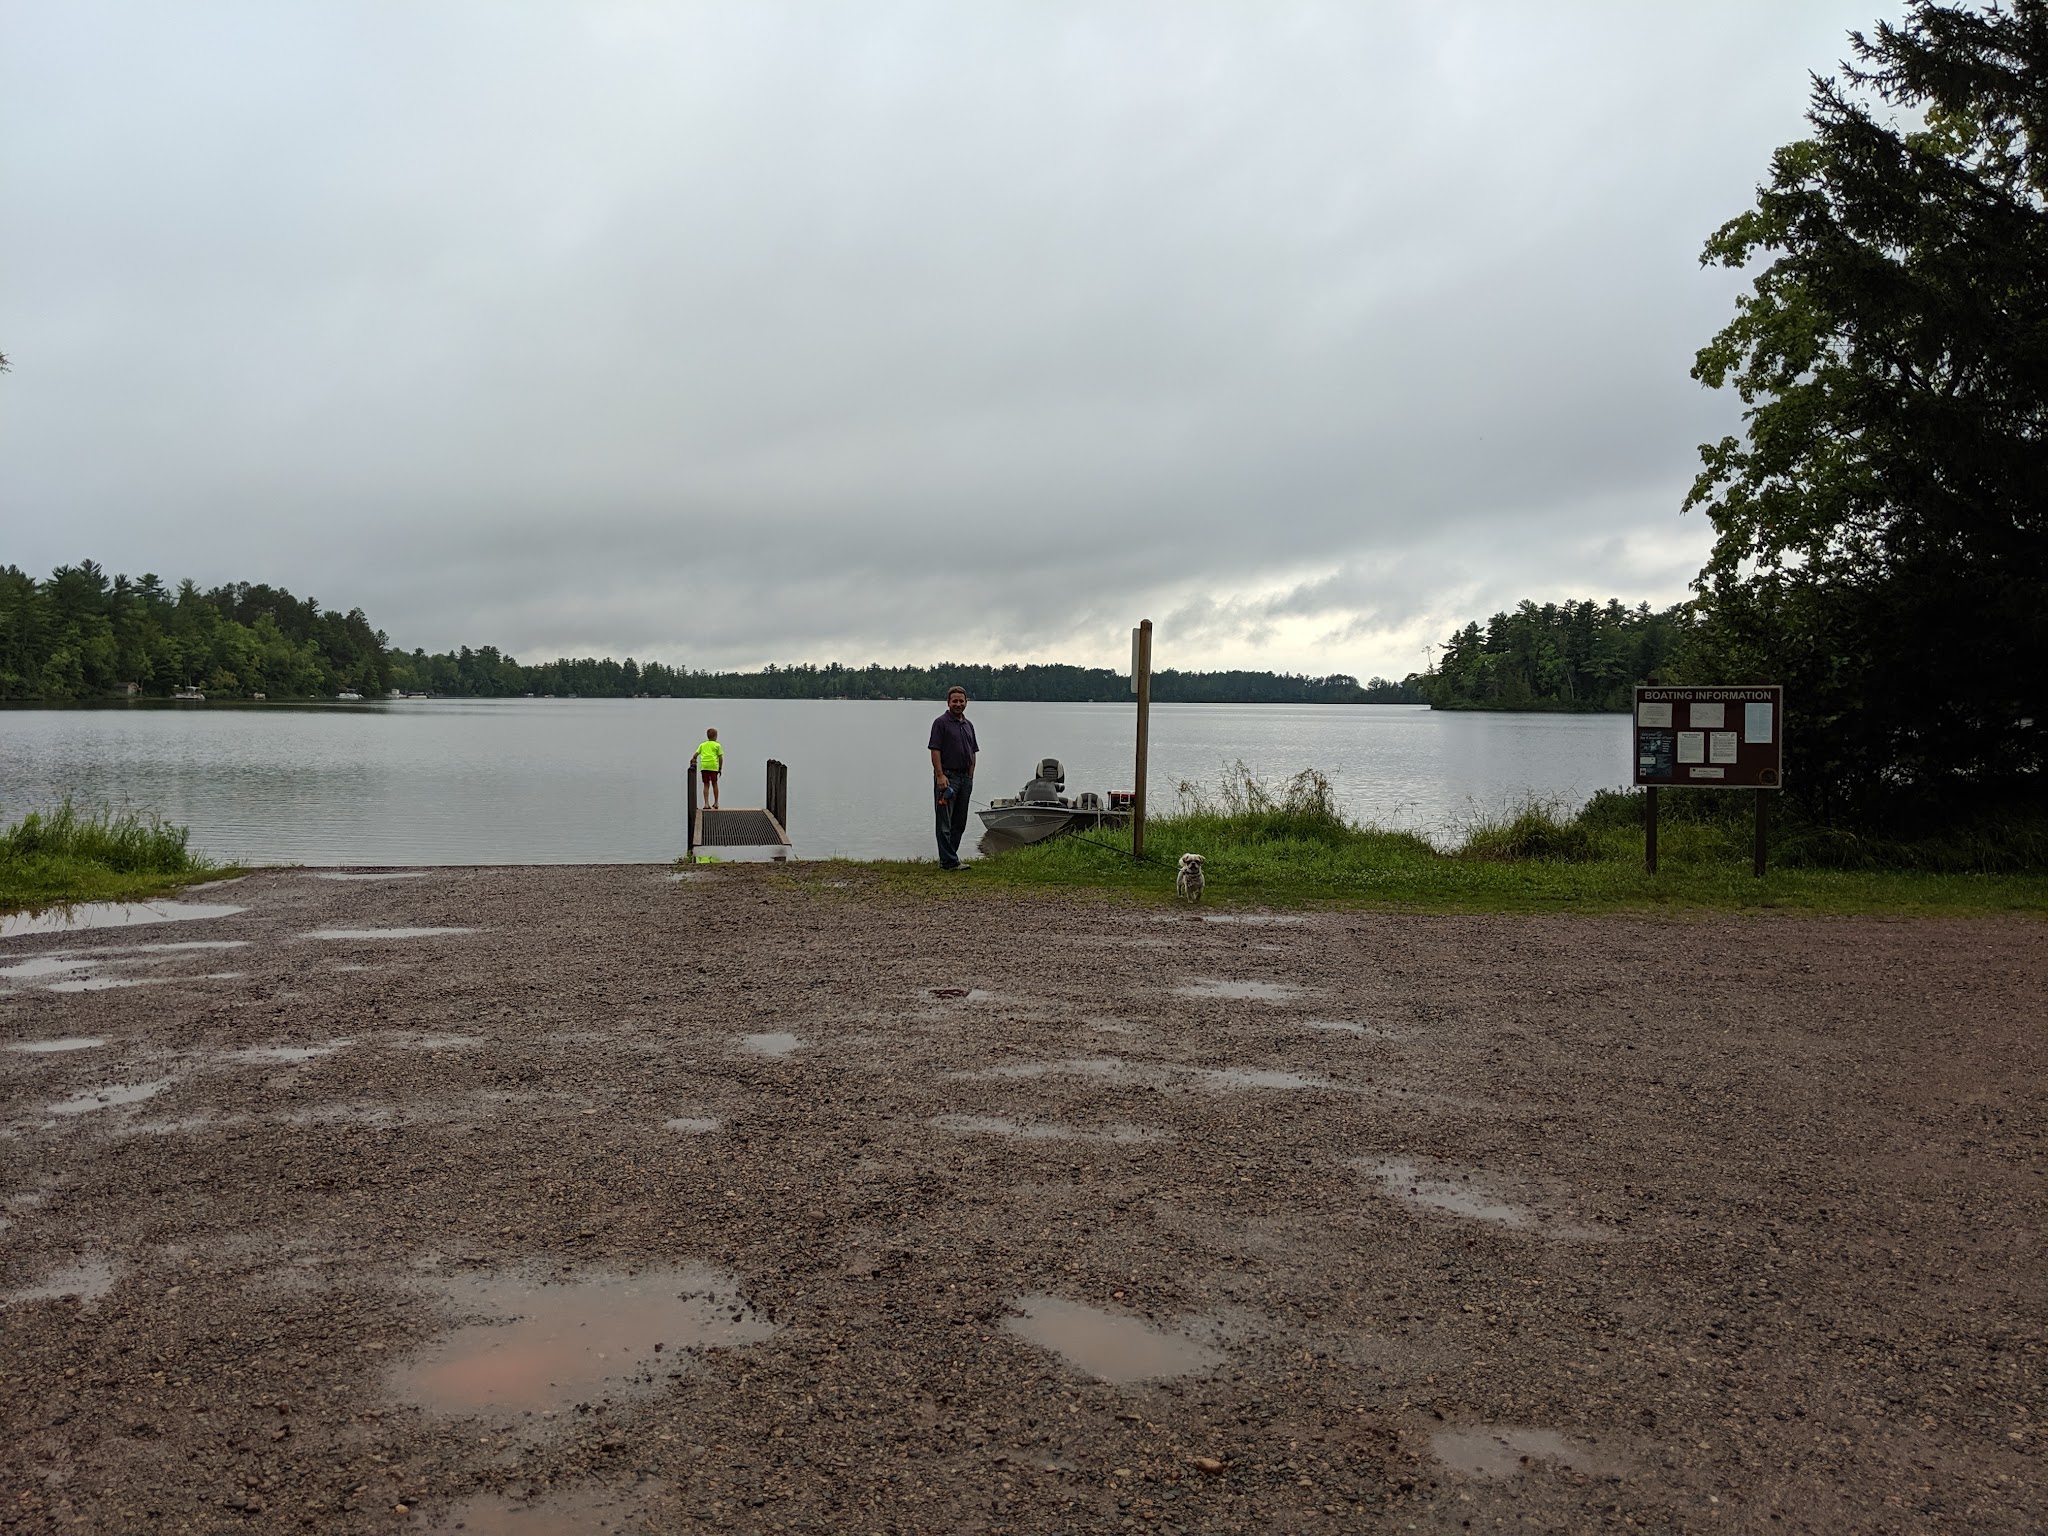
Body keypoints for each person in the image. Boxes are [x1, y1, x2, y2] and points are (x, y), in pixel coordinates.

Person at [927, 686, 978, 870]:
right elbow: (935, 750)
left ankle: (950, 859)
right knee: (944, 823)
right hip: (947, 778)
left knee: (959, 822)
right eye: (954, 701)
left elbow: (973, 751)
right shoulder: (940, 723)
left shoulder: (968, 725)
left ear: (966, 702)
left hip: (965, 779)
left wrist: (971, 775)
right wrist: (940, 775)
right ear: (948, 702)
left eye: (961, 701)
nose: (958, 704)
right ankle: (948, 862)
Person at [696, 727, 724, 809]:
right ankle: (716, 803)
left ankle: (706, 804)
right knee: (714, 784)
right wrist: (720, 768)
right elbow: (720, 758)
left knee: (706, 785)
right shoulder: (717, 745)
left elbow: (696, 754)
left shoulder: (702, 745)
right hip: (713, 767)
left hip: (704, 767)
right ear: (716, 736)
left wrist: (693, 759)